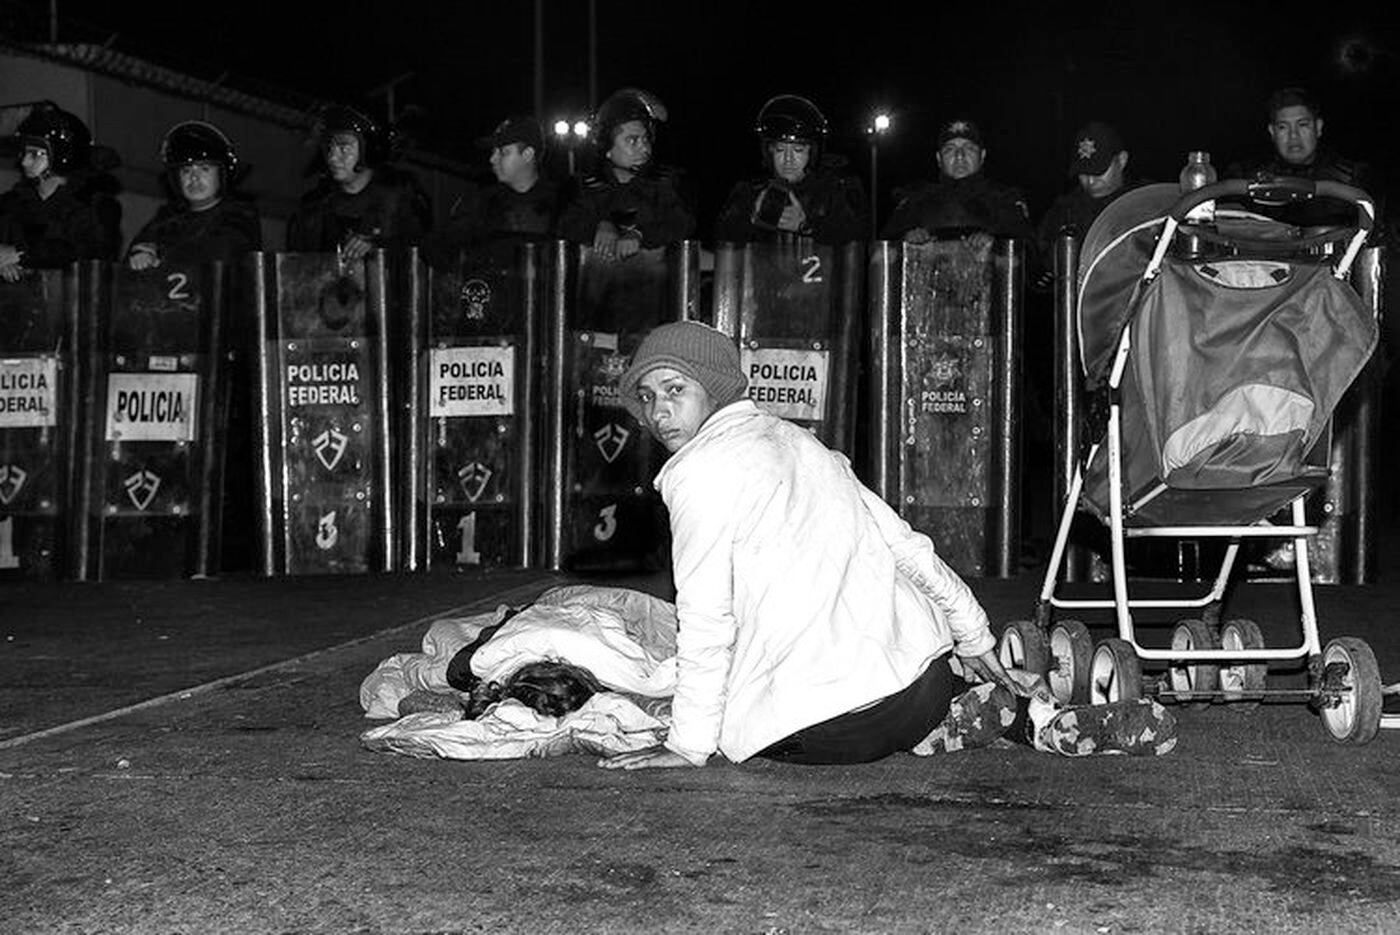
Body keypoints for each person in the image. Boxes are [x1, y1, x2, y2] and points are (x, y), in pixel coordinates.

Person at [599, 322, 1176, 769]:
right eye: (647, 398)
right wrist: (975, 639)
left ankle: (962, 726)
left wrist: (690, 742)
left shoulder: (696, 472)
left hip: (827, 731)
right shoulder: (804, 444)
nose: (659, 411)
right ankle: (1015, 718)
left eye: (675, 389)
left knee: (741, 725)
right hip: (918, 689)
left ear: (716, 388)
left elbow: (706, 615)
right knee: (879, 593)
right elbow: (908, 548)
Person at [557, 87, 695, 259]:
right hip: (598, 282)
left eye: (645, 139)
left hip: (654, 280)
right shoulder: (586, 186)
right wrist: (600, 227)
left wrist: (640, 234)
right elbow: (566, 225)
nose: (644, 148)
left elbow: (681, 224)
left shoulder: (664, 182)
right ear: (607, 148)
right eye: (632, 140)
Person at [713, 94, 868, 245]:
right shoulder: (751, 188)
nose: (788, 158)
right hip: (766, 270)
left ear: (812, 152)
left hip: (819, 270)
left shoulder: (837, 185)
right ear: (769, 151)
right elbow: (721, 238)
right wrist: (752, 219)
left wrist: (805, 226)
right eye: (780, 149)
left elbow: (858, 233)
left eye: (798, 149)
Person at [286, 104, 430, 257]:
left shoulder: (401, 199)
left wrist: (379, 248)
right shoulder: (314, 208)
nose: (332, 158)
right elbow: (298, 268)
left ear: (369, 149)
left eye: (344, 148)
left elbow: (424, 253)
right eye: (329, 147)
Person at [0, 103, 121, 282]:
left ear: (61, 155)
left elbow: (88, 251)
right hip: (17, 305)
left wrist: (21, 254)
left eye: (35, 154)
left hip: (73, 304)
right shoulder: (11, 204)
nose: (25, 161)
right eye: (24, 153)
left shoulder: (96, 206)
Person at [422, 115, 561, 266]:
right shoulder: (481, 203)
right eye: (493, 152)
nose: (492, 159)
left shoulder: (564, 205)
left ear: (527, 155)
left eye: (503, 152)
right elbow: (435, 247)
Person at [1230, 87, 1375, 229]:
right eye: (1283, 127)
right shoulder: (1243, 177)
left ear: (1318, 127)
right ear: (1272, 132)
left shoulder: (1354, 179)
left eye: (1302, 125)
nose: (1293, 136)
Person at [127, 120, 262, 269]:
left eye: (204, 169)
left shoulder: (240, 216)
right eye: (186, 171)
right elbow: (135, 252)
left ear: (221, 175)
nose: (194, 178)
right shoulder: (166, 220)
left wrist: (161, 259)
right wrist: (140, 253)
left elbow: (221, 252)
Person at [881, 118, 1031, 242]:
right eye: (950, 149)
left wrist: (997, 244)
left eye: (969, 148)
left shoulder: (1005, 200)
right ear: (939, 159)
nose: (960, 155)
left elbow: (1030, 253)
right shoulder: (914, 201)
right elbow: (883, 253)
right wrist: (905, 239)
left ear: (982, 156)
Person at [1036, 121, 1135, 259]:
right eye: (1084, 173)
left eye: (1098, 172)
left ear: (1122, 160)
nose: (1091, 181)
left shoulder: (1144, 205)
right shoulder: (1065, 210)